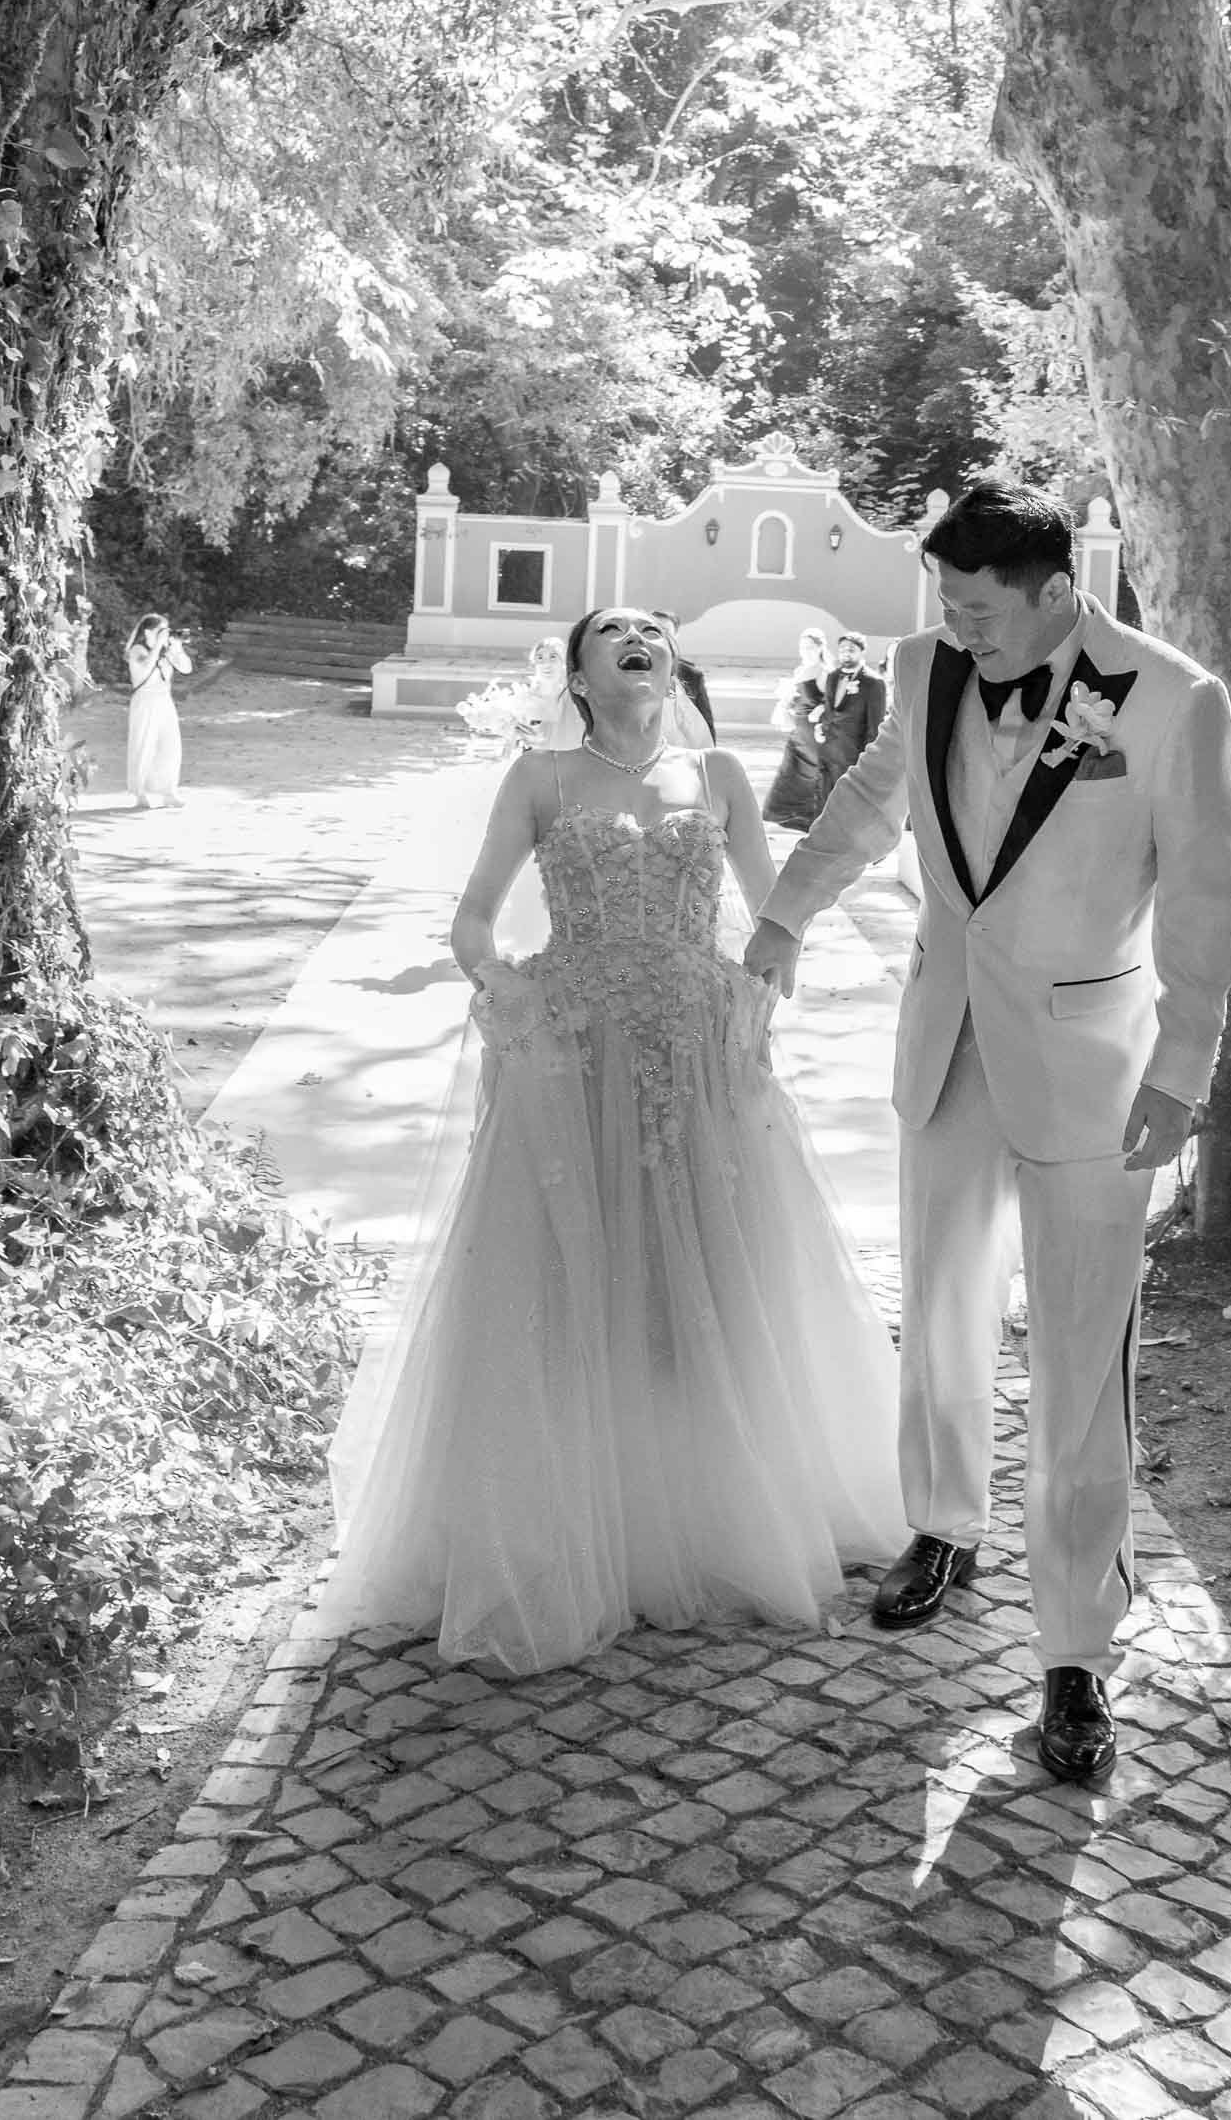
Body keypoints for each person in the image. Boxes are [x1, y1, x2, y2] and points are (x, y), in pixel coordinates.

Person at [744, 481, 1231, 1786]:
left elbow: (1200, 897)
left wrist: (1181, 1066)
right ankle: (939, 1526)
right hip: (944, 1041)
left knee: (1081, 1359)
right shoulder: (923, 670)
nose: (954, 630)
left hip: (1091, 1069)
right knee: (939, 1303)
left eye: (977, 609)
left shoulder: (1172, 699)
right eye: (942, 606)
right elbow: (864, 803)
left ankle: (1074, 1658)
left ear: (1051, 593)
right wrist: (786, 915)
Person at [320, 604, 907, 1672]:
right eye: (613, 631)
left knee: (708, 1290)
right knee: (573, 1285)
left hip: (698, 1061)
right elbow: (472, 920)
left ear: (672, 665)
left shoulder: (723, 774)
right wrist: (504, 995)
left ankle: (701, 1516)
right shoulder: (539, 780)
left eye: (654, 629)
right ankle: (574, 1526)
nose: (638, 636)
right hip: (576, 1058)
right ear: (580, 675)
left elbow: (775, 916)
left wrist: (763, 999)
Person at [762, 628, 831, 833]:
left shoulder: (824, 672)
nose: (806, 651)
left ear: (820, 648)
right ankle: (786, 814)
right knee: (790, 770)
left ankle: (811, 817)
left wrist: (819, 711)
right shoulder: (800, 671)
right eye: (803, 647)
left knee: (810, 771)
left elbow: (831, 701)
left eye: (810, 647)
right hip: (798, 727)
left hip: (812, 730)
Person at [123, 612, 191, 807]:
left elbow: (187, 669)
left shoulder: (166, 651)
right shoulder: (137, 650)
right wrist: (158, 647)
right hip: (145, 701)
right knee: (144, 745)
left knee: (170, 746)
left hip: (164, 701)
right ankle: (140, 792)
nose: (165, 634)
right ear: (148, 632)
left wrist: (177, 649)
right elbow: (144, 668)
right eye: (160, 630)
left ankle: (169, 791)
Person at [817, 631, 888, 796]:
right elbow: (829, 710)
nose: (845, 653)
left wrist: (868, 760)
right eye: (842, 649)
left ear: (862, 651)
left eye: (851, 649)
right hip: (828, 753)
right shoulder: (833, 676)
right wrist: (821, 728)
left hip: (852, 756)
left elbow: (875, 726)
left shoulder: (873, 682)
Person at [649, 609, 717, 741]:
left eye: (667, 632)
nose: (662, 636)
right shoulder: (629, 670)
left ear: (676, 636)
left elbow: (706, 729)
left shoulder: (691, 676)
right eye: (655, 631)